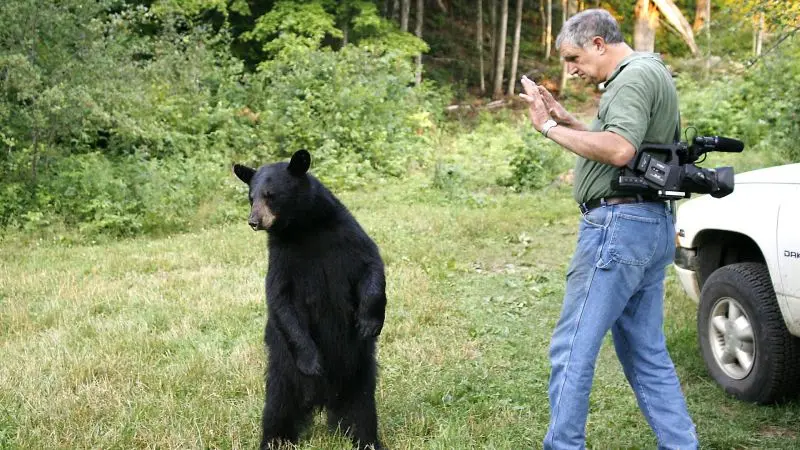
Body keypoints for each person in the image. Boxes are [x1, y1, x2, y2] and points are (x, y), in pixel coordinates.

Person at [518, 9, 698, 450]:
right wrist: (565, 120)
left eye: (574, 57)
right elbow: (630, 147)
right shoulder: (650, 70)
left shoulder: (630, 78)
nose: (572, 69)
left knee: (573, 347)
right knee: (646, 353)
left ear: (599, 43)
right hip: (650, 226)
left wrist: (544, 128)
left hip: (619, 229)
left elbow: (618, 149)